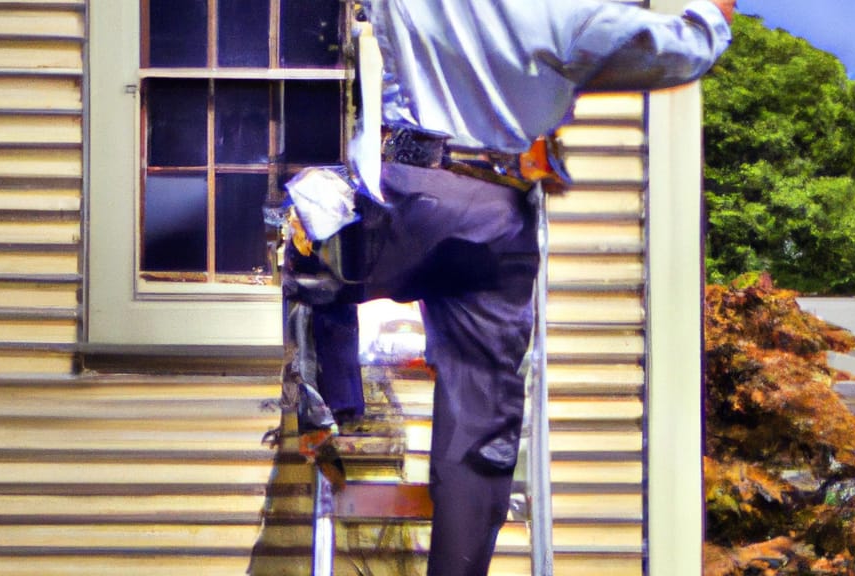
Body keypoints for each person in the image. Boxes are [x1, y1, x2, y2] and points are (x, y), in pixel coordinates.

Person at [283, 1, 735, 574]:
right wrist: (712, 16)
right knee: (481, 425)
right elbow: (681, 52)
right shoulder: (574, 15)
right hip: (496, 221)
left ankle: (337, 402)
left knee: (307, 232)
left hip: (409, 200)